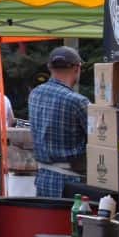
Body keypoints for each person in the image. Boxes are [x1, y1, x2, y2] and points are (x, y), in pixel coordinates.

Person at [28, 46, 89, 198]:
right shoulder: (78, 102)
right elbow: (98, 141)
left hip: (43, 179)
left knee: (47, 222)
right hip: (70, 182)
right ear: (77, 68)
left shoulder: (34, 94)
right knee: (69, 222)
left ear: (50, 67)